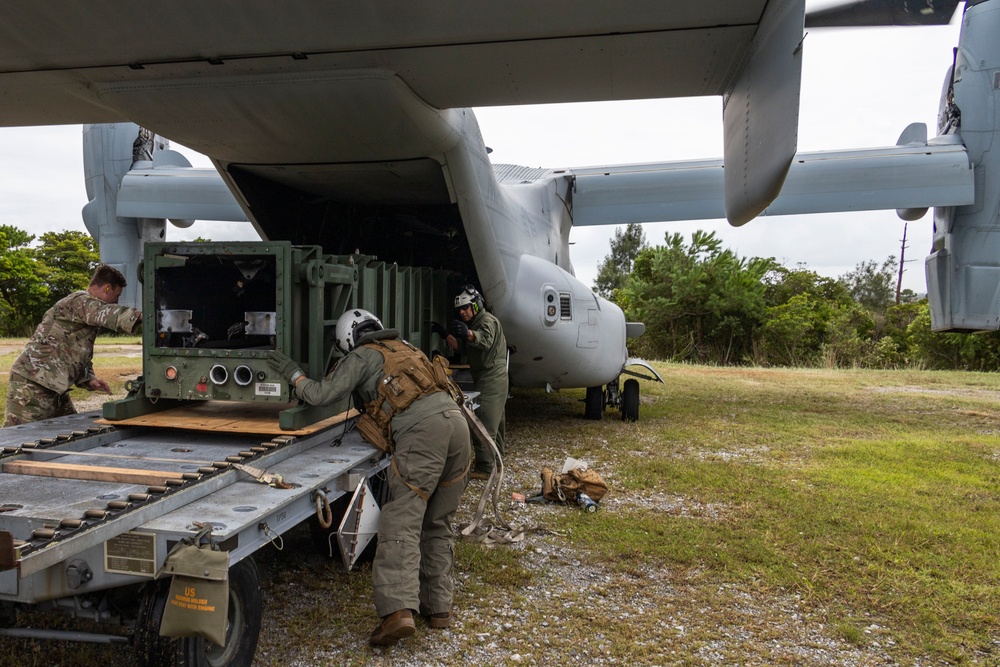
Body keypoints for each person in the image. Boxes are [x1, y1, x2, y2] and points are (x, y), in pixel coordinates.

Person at [268, 308, 471, 647]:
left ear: (348, 338)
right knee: (437, 523)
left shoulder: (362, 355)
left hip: (423, 435)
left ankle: (397, 613)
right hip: (457, 427)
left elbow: (320, 395)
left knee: (400, 522)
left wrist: (292, 373)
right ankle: (439, 608)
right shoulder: (408, 347)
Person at [3, 264, 142, 427]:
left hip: (52, 386)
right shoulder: (79, 301)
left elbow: (78, 352)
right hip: (31, 385)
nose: (117, 301)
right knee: (18, 438)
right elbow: (108, 313)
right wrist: (144, 316)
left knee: (73, 432)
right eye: (116, 295)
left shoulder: (85, 314)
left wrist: (89, 379)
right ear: (106, 288)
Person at [445, 285, 507, 480]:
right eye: (460, 310)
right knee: (496, 423)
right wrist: (444, 334)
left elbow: (484, 340)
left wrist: (469, 334)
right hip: (488, 376)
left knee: (483, 422)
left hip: (491, 377)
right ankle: (496, 461)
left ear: (476, 306)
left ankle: (486, 468)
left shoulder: (487, 321)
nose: (462, 312)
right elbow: (466, 349)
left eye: (466, 308)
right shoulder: (477, 323)